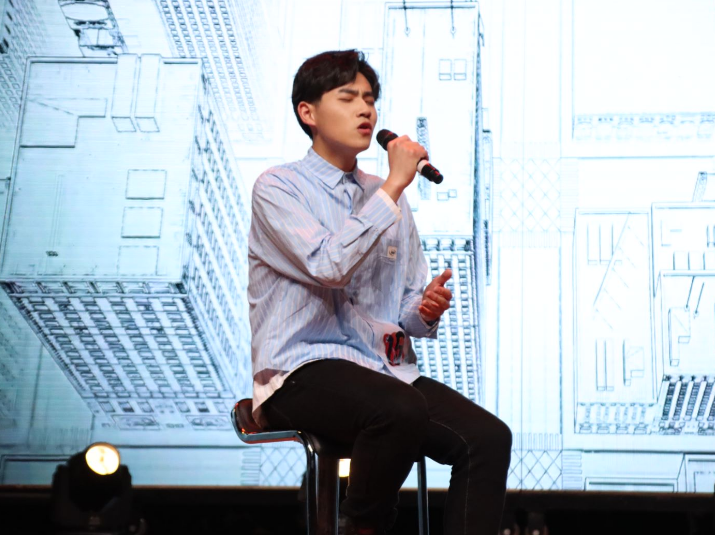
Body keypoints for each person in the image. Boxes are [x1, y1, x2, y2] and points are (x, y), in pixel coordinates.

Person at [248, 49, 511, 535]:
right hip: (300, 369)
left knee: (488, 438)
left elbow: (405, 303)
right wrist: (393, 186)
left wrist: (424, 309)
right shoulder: (278, 187)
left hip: (382, 370)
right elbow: (328, 266)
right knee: (396, 408)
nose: (365, 110)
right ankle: (363, 528)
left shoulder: (386, 195)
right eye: (348, 98)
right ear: (308, 112)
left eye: (369, 99)